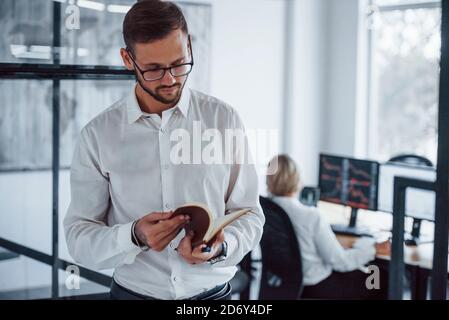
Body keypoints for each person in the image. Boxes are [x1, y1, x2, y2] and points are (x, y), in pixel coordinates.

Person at [63, 0, 264, 300]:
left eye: (179, 63)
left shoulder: (224, 120)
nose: (171, 80)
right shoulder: (98, 135)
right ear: (127, 60)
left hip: (213, 298)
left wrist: (221, 247)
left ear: (190, 46)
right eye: (154, 69)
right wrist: (134, 236)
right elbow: (79, 238)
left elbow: (250, 214)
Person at [266, 154, 391, 299]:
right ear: (297, 181)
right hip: (319, 288)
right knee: (382, 277)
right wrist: (374, 249)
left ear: (269, 181)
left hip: (285, 285)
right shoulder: (310, 216)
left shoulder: (265, 212)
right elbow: (340, 261)